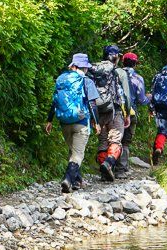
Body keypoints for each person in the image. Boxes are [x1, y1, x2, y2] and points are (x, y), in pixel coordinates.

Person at [45, 53, 100, 192]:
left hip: (64, 121)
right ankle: (67, 180)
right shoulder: (86, 81)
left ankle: (77, 181)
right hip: (81, 121)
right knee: (77, 154)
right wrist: (96, 122)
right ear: (83, 67)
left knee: (73, 151)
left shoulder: (62, 79)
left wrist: (49, 120)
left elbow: (55, 101)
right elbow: (92, 103)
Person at [90, 46, 126, 182]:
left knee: (103, 142)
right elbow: (122, 93)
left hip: (98, 111)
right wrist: (126, 111)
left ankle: (104, 172)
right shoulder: (116, 71)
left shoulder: (94, 69)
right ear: (116, 57)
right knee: (115, 139)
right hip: (114, 110)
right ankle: (109, 163)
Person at [115, 52, 150, 177]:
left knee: (113, 138)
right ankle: (121, 168)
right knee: (125, 142)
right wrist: (149, 98)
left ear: (123, 62)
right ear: (135, 64)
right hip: (131, 112)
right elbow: (142, 100)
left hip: (114, 110)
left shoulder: (115, 73)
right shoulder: (137, 78)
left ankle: (110, 164)